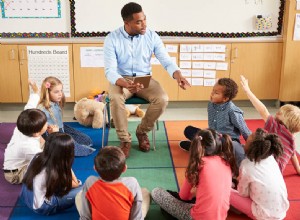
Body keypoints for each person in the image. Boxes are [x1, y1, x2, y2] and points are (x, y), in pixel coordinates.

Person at [104, 2, 190, 158]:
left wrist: (178, 75)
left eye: (144, 19)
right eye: (138, 22)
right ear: (127, 23)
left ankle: (142, 131)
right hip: (121, 79)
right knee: (116, 98)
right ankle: (125, 140)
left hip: (144, 79)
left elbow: (166, 60)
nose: (144, 24)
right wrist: (125, 84)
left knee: (162, 99)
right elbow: (110, 70)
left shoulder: (151, 36)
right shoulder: (112, 38)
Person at [151, 128, 238, 220]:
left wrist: (191, 196)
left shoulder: (199, 163)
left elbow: (183, 196)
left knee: (156, 192)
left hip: (197, 217)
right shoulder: (226, 162)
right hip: (221, 217)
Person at [179, 78, 251, 167]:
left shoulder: (233, 111)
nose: (212, 94)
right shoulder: (211, 104)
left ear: (225, 98)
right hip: (212, 136)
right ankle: (204, 149)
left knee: (222, 146)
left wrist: (252, 147)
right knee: (188, 130)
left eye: (216, 93)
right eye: (213, 90)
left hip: (227, 141)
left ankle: (198, 148)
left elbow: (244, 130)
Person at [240, 75, 300, 174]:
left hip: (260, 167)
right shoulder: (292, 140)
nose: (277, 113)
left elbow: (262, 110)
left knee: (238, 147)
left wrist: (248, 91)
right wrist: (298, 170)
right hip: (276, 173)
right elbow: (292, 154)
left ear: (284, 120)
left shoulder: (275, 126)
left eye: (280, 113)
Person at [3, 80, 58, 184]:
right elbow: (46, 161)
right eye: (45, 124)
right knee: (51, 168)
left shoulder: (25, 120)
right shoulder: (29, 146)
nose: (47, 124)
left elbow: (31, 103)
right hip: (15, 174)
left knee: (44, 142)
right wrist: (54, 135)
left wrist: (36, 89)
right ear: (36, 133)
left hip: (19, 159)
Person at [75, 146, 150, 220]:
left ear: (95, 168)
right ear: (125, 168)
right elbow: (136, 217)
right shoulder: (132, 183)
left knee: (79, 195)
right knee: (145, 192)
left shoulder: (90, 181)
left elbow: (85, 216)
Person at [230, 128, 289, 219]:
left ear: (252, 148)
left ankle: (240, 208)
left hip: (263, 214)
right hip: (281, 211)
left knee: (227, 191)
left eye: (246, 143)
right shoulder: (271, 159)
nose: (244, 144)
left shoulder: (246, 165)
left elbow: (243, 193)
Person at [21, 132, 82, 215]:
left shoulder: (38, 156)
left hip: (28, 198)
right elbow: (76, 184)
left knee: (72, 185)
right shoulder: (53, 170)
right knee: (85, 189)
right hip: (44, 207)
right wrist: (66, 163)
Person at [37, 76, 95, 157]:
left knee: (87, 140)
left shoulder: (55, 102)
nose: (60, 94)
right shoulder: (42, 108)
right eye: (56, 92)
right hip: (53, 133)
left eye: (61, 90)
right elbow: (38, 127)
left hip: (61, 128)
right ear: (47, 93)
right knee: (79, 150)